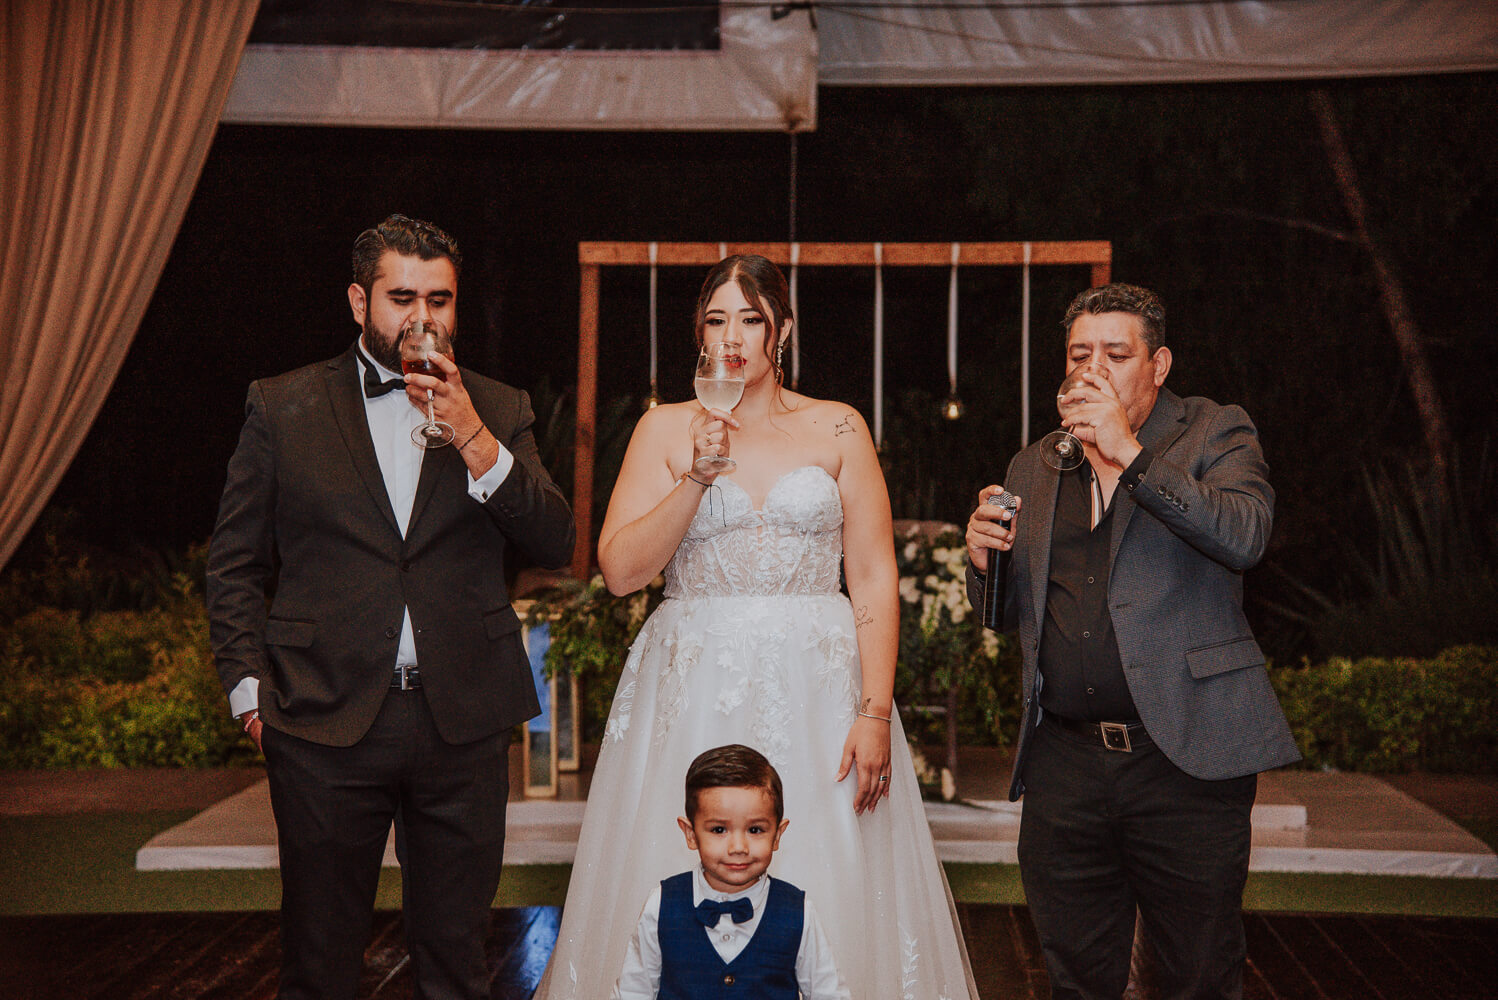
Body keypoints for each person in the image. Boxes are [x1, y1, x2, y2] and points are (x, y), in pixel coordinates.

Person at [536, 255, 976, 999]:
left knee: (832, 862)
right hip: (694, 680)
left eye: (751, 319)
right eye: (716, 320)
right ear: (698, 335)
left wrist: (874, 711)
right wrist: (696, 477)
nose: (732, 337)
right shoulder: (664, 428)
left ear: (784, 330)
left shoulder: (838, 425)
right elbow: (620, 571)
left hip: (820, 688)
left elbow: (872, 576)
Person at [206, 214, 576, 1000]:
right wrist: (249, 695)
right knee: (319, 964)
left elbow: (554, 540)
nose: (421, 317)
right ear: (358, 302)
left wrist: (474, 436)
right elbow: (235, 563)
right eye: (402, 297)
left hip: (462, 721)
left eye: (438, 299)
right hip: (321, 718)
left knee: (456, 964)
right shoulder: (283, 405)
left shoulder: (499, 407)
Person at [964, 282, 1301, 999]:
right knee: (1075, 976)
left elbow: (1245, 535)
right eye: (1079, 354)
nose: (1092, 369)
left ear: (1158, 364)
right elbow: (1009, 614)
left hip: (1183, 759)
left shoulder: (1214, 431)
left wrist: (1129, 454)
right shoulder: (1036, 462)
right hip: (1065, 765)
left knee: (1195, 974)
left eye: (1115, 355)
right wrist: (984, 563)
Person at [612, 744, 850, 1000]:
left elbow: (829, 994)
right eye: (719, 830)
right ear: (690, 834)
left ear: (777, 835)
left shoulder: (798, 911)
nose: (738, 847)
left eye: (755, 830)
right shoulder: (661, 905)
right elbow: (633, 992)